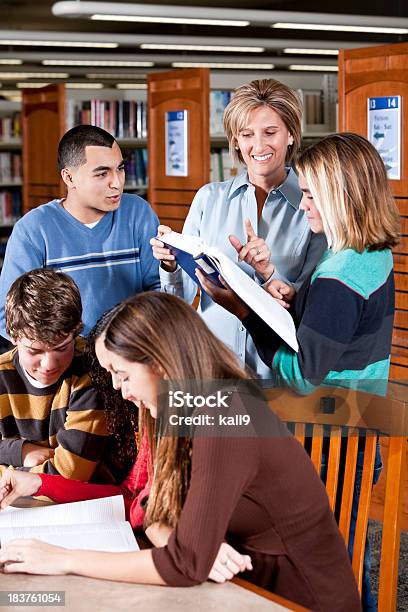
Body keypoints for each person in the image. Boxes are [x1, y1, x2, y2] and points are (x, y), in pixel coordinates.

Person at [0, 292, 360, 612]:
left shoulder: (225, 414)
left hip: (289, 598)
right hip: (226, 590)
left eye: (122, 374)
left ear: (158, 361)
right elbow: (145, 505)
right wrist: (178, 537)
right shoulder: (176, 406)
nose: (118, 389)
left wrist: (63, 559)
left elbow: (184, 565)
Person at [197, 132, 400, 611]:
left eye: (310, 193)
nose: (302, 202)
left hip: (330, 434)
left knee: (324, 560)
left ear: (339, 195)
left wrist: (247, 314)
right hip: (357, 423)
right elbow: (333, 329)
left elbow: (303, 373)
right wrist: (276, 286)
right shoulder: (368, 253)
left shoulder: (339, 273)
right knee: (343, 552)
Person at [151, 79, 326, 379]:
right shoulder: (209, 198)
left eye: (270, 133)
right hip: (211, 370)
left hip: (278, 375)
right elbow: (181, 298)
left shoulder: (316, 208)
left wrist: (269, 274)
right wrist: (170, 264)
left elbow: (312, 304)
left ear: (291, 136)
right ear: (234, 140)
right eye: (246, 135)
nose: (258, 146)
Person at [0, 124, 160, 338]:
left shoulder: (138, 212)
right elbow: (8, 318)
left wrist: (172, 268)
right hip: (66, 363)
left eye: (120, 169)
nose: (117, 183)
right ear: (69, 177)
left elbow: (161, 293)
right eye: (102, 173)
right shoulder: (32, 230)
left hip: (131, 353)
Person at [0, 268, 111, 482]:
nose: (49, 364)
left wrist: (11, 475)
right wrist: (19, 451)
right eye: (34, 350)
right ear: (12, 335)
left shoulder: (92, 370)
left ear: (76, 332)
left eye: (61, 348)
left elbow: (69, 476)